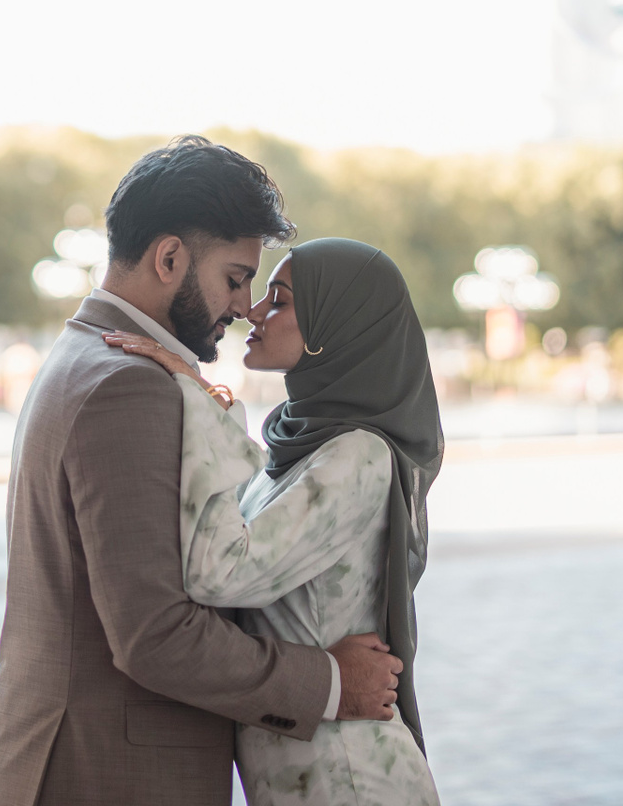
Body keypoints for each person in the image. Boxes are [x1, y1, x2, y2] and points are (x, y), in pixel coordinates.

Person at [0, 139, 404, 806]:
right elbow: (155, 635)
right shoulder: (128, 385)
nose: (243, 306)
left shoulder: (86, 355)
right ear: (170, 257)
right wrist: (331, 683)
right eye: (235, 278)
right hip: (108, 777)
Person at [104, 237, 444, 806]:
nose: (253, 311)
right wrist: (204, 399)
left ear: (336, 328)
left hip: (351, 778)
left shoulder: (359, 454)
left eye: (280, 300)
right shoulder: (301, 450)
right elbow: (223, 525)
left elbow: (221, 572)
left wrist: (196, 400)